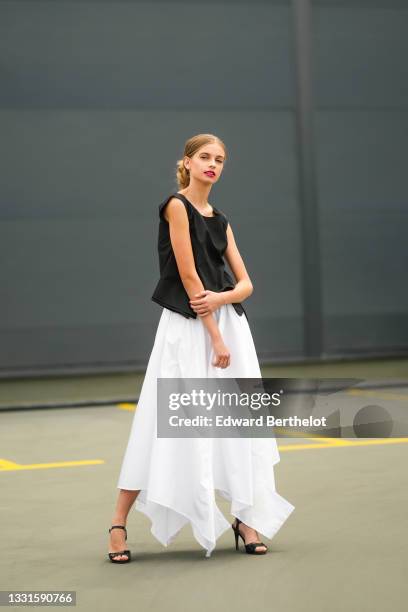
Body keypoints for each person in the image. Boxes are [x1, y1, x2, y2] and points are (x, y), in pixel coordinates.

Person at [107, 133, 295, 563]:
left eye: (220, 160)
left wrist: (222, 303)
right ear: (187, 163)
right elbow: (190, 278)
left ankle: (245, 520)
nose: (213, 165)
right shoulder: (176, 207)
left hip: (229, 327)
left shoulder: (222, 219)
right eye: (205, 157)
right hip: (189, 330)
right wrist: (213, 333)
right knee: (162, 420)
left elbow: (246, 284)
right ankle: (118, 524)